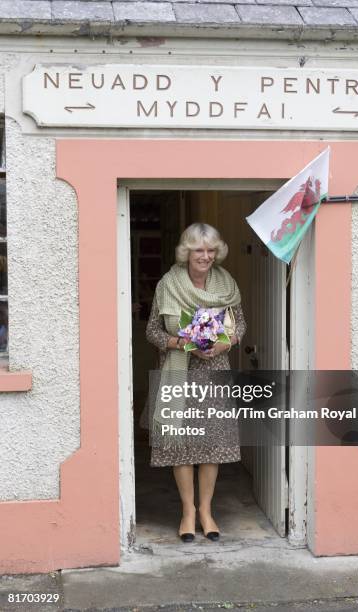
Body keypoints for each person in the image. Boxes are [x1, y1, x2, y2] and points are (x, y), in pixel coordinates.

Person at [146, 223, 246, 543]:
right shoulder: (168, 284)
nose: (205, 256)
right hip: (180, 371)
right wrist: (181, 343)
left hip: (215, 371)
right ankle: (188, 512)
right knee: (182, 446)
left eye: (210, 250)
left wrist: (226, 343)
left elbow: (240, 324)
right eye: (198, 250)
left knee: (212, 446)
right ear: (186, 252)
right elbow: (152, 331)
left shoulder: (226, 284)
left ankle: (206, 511)